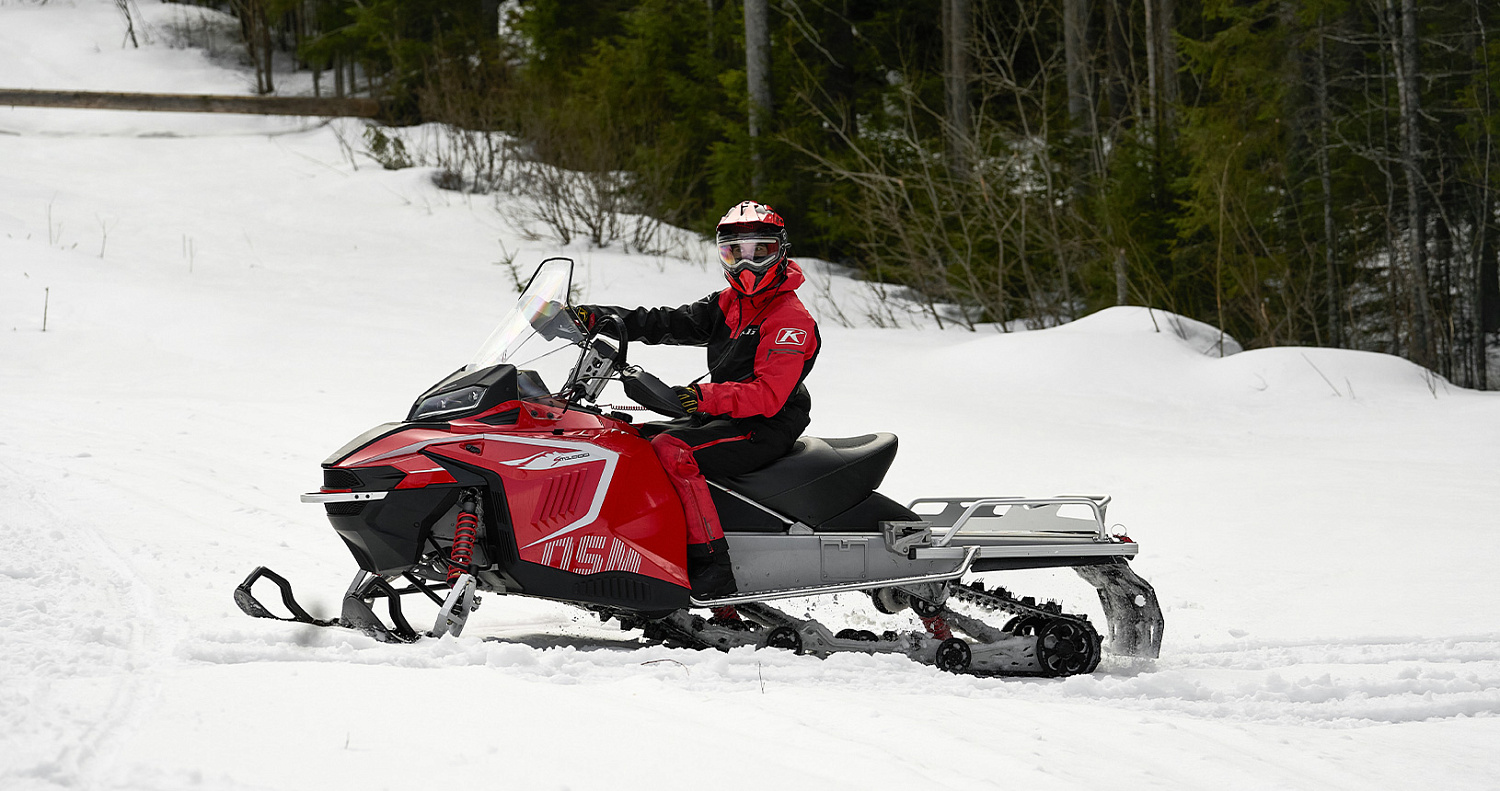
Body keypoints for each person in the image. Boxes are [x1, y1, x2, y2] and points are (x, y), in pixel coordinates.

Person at [574, 201, 820, 601]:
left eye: (759, 252)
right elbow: (666, 322)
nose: (747, 265)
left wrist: (700, 397)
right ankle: (632, 546)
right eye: (734, 253)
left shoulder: (789, 319)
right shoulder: (730, 303)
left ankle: (711, 563)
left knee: (672, 450)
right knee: (630, 440)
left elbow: (769, 395)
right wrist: (598, 318)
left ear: (780, 252)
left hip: (766, 424)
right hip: (726, 414)